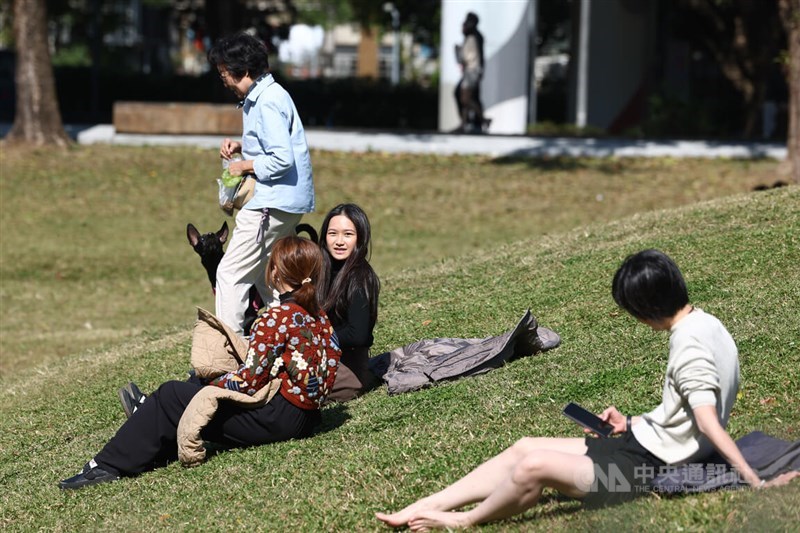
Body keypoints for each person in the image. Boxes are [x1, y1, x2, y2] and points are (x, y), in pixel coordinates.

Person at [376, 249, 799, 529]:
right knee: (525, 446)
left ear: (645, 308)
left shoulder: (688, 346)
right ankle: (425, 503)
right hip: (642, 446)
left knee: (533, 467)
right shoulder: (707, 323)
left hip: (640, 472)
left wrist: (752, 480)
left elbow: (707, 422)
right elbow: (688, 409)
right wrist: (631, 423)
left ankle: (460, 521)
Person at [59, 237, 340, 489]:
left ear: (276, 271)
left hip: (278, 419)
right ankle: (149, 430)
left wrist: (212, 384)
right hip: (306, 417)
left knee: (171, 394)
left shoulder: (276, 318)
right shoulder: (320, 316)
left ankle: (106, 466)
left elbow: (248, 381)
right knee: (190, 388)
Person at [208, 31, 315, 336]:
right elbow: (275, 146)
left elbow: (282, 159)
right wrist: (243, 148)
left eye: (224, 73)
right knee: (270, 278)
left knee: (229, 274)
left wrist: (243, 165)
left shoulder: (267, 101)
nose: (223, 80)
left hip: (271, 202)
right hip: (284, 202)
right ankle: (299, 336)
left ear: (241, 70)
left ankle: (230, 355)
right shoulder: (265, 96)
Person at [317, 204, 381, 403]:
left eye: (348, 234)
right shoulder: (322, 270)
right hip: (322, 358)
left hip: (348, 369)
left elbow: (358, 335)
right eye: (333, 233)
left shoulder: (360, 277)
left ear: (360, 238)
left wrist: (315, 339)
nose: (339, 241)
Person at [454, 12, 488, 133]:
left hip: (472, 71)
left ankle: (482, 120)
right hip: (472, 71)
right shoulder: (472, 36)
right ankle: (466, 123)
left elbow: (468, 57)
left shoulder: (474, 37)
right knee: (467, 97)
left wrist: (458, 52)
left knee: (466, 98)